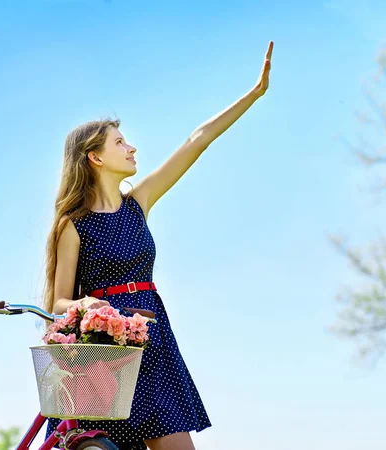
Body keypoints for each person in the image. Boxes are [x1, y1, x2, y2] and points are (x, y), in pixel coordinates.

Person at [42, 41, 274, 450]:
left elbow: (196, 140)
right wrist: (84, 305)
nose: (132, 148)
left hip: (152, 336)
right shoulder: (72, 226)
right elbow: (59, 301)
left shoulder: (138, 203)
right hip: (102, 352)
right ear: (94, 158)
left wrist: (253, 95)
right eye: (119, 142)